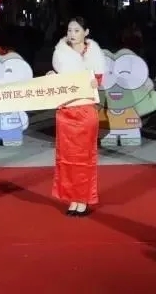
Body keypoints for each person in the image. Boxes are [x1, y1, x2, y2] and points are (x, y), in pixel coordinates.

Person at [49, 16, 105, 217]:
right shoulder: (60, 54)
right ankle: (72, 198)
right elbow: (58, 82)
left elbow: (99, 80)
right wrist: (51, 77)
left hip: (85, 111)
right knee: (67, 158)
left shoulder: (95, 54)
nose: (72, 34)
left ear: (86, 32)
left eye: (77, 30)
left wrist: (96, 83)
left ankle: (83, 199)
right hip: (65, 111)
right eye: (69, 30)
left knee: (84, 157)